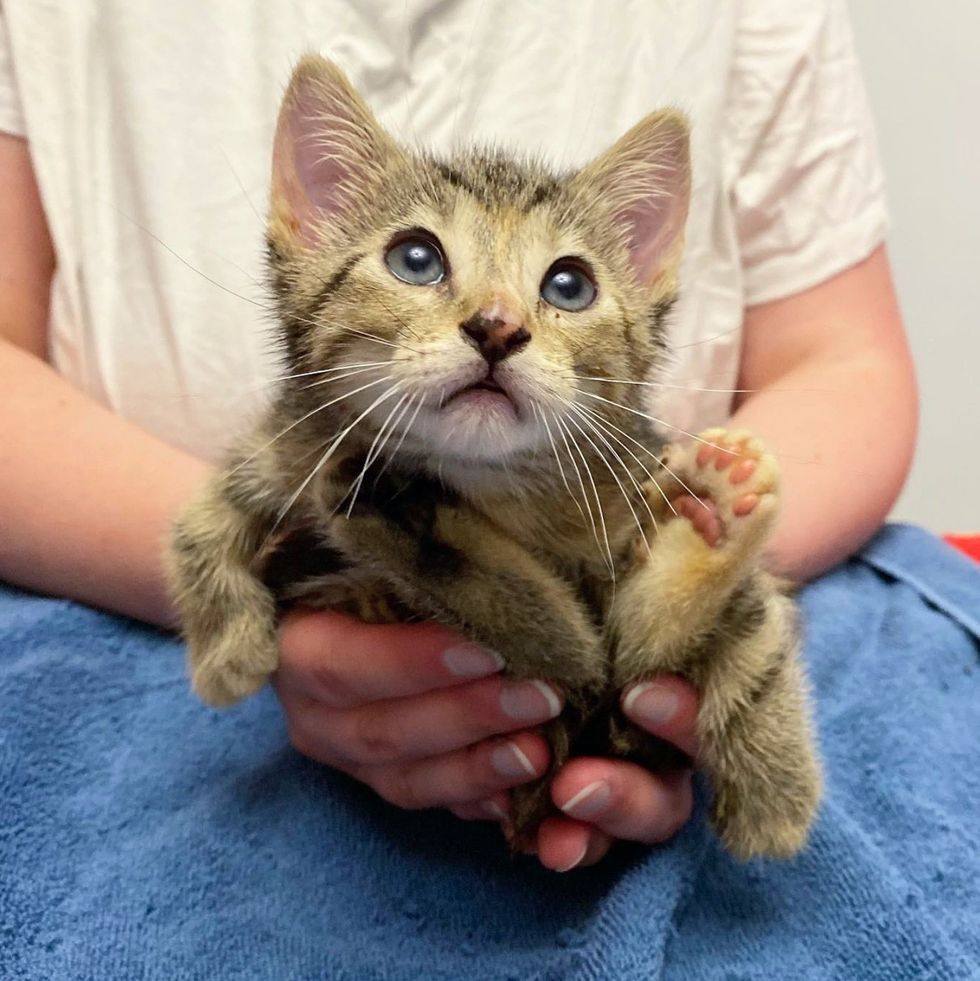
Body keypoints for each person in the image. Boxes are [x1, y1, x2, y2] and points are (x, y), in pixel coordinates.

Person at [0, 0, 916, 879]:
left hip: (619, 552)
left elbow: (848, 362)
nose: (498, 321)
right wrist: (276, 609)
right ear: (309, 230)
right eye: (418, 259)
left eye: (566, 284)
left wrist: (682, 561)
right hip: (123, 639)